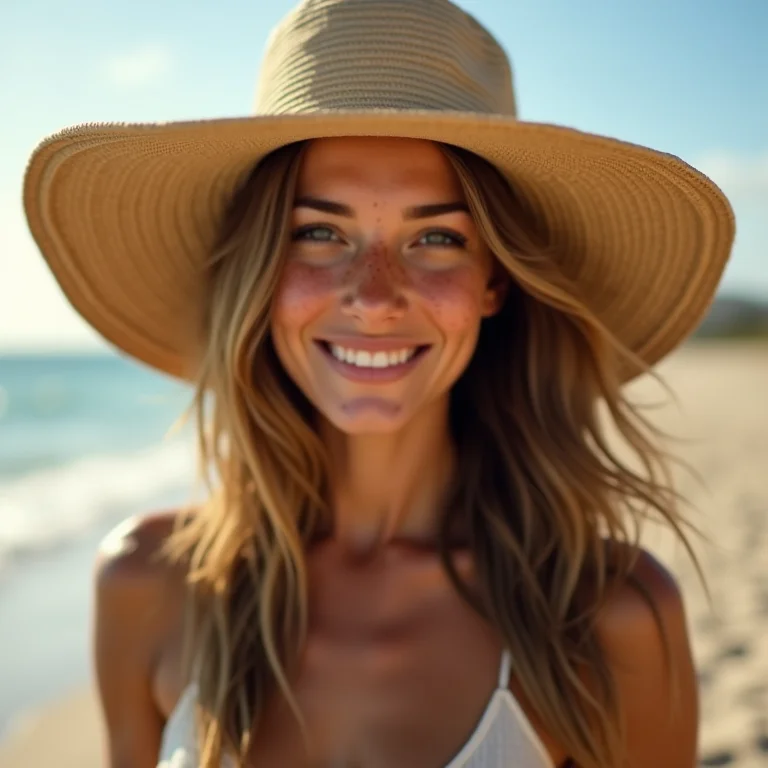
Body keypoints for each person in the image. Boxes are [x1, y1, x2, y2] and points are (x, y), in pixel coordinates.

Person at [23, 0, 735, 766]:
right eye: (319, 232)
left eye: (436, 237)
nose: (374, 295)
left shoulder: (608, 614)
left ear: (494, 281)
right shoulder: (145, 584)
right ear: (259, 273)